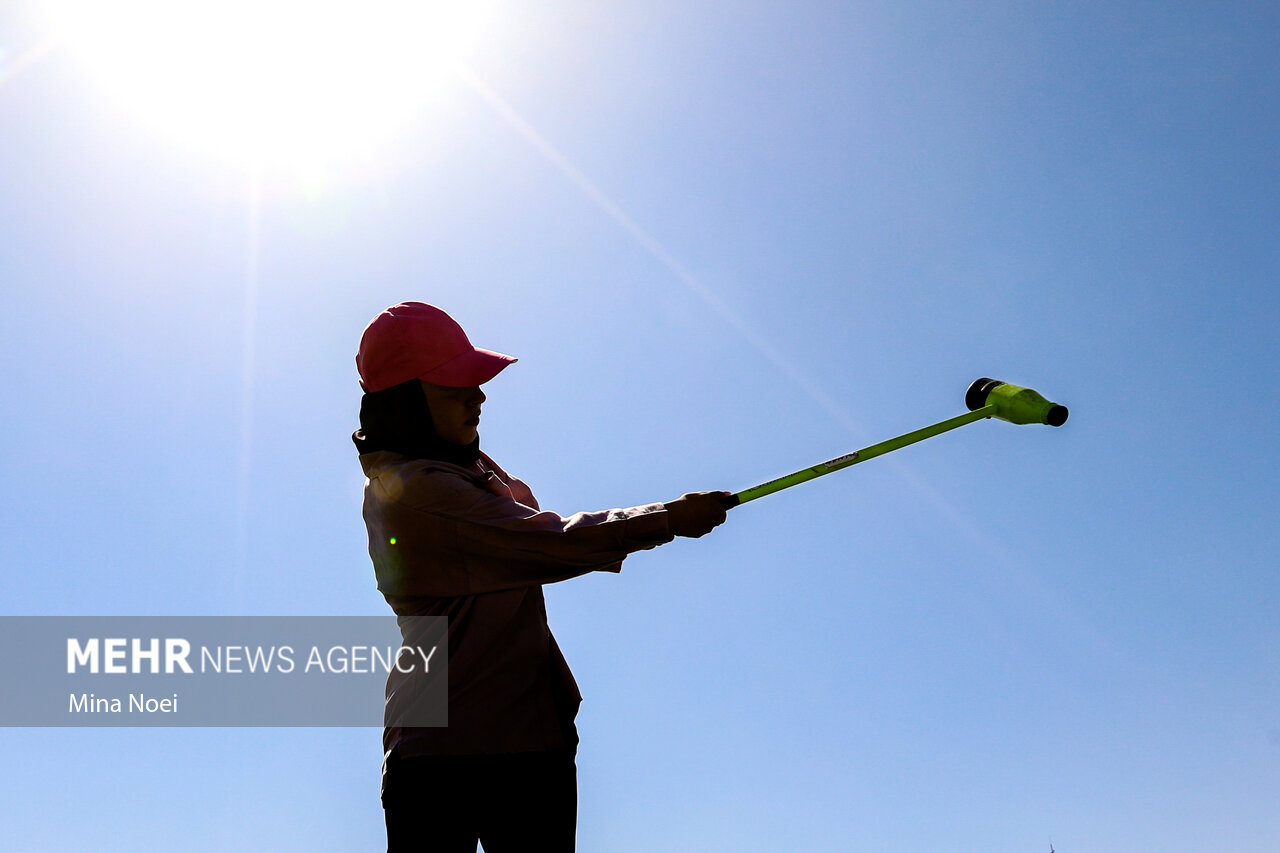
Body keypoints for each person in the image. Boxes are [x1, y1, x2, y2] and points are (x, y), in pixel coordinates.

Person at [352, 302, 729, 852]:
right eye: (456, 384)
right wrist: (669, 517)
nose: (478, 396)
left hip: (528, 746)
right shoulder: (416, 492)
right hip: (446, 762)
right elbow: (550, 542)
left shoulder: (463, 469)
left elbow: (529, 531)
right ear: (406, 402)